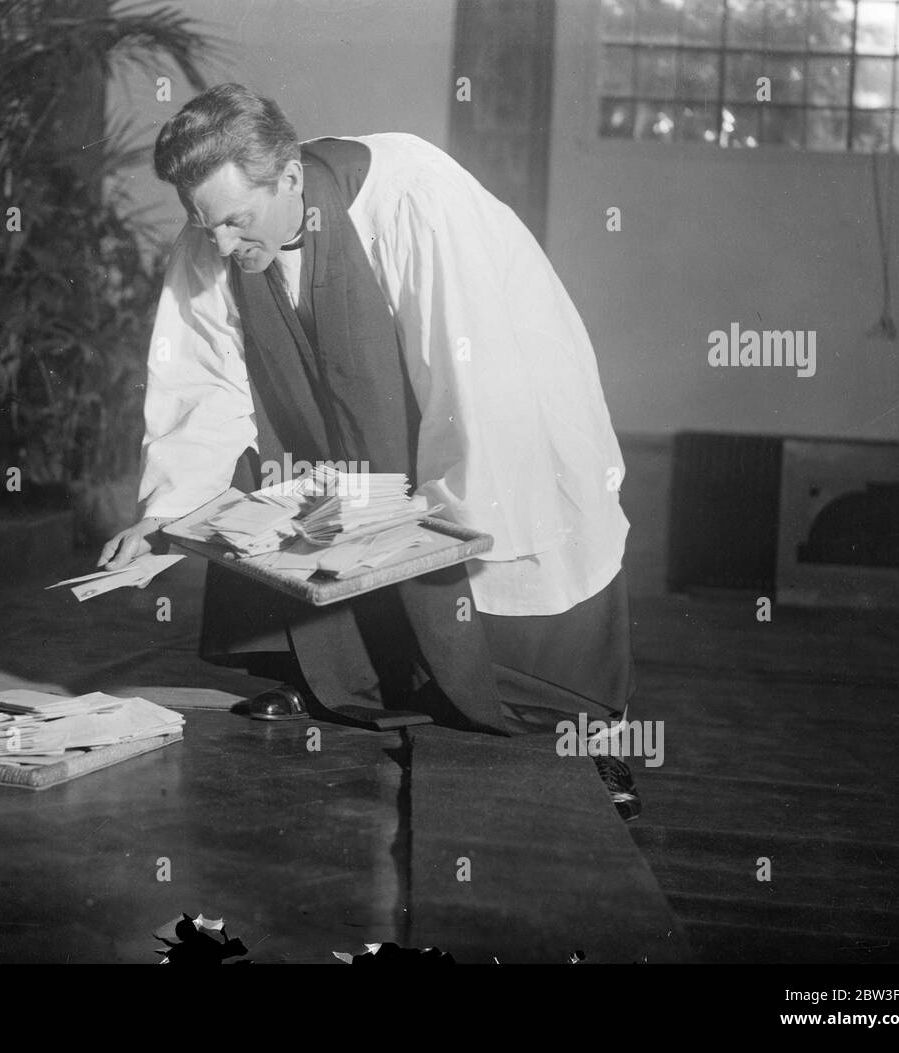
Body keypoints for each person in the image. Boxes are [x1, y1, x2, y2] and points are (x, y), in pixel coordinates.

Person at [100, 84, 640, 817]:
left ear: (289, 178)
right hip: (338, 427)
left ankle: (584, 737)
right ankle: (340, 676)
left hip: (485, 390)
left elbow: (470, 370)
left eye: (236, 220)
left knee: (506, 561)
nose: (222, 243)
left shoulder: (412, 196)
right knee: (272, 480)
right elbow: (203, 389)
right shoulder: (214, 236)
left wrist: (438, 526)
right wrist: (165, 518)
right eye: (206, 223)